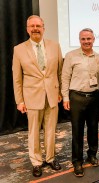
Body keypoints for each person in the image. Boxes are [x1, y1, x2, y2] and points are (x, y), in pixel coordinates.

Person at [12, 15, 63, 177]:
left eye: (38, 26)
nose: (35, 29)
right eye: (32, 26)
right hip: (31, 97)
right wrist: (19, 100)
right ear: (27, 29)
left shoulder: (55, 46)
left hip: (52, 95)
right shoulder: (18, 49)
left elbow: (59, 72)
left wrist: (60, 92)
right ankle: (36, 162)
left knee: (51, 129)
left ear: (43, 28)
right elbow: (17, 78)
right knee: (33, 131)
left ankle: (50, 157)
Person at [61, 28, 99, 177]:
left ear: (93, 40)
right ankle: (77, 161)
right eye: (83, 39)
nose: (86, 41)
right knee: (77, 131)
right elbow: (65, 78)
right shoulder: (70, 56)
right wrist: (65, 97)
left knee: (93, 128)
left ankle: (92, 154)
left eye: (89, 39)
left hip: (94, 98)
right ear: (79, 40)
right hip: (76, 98)